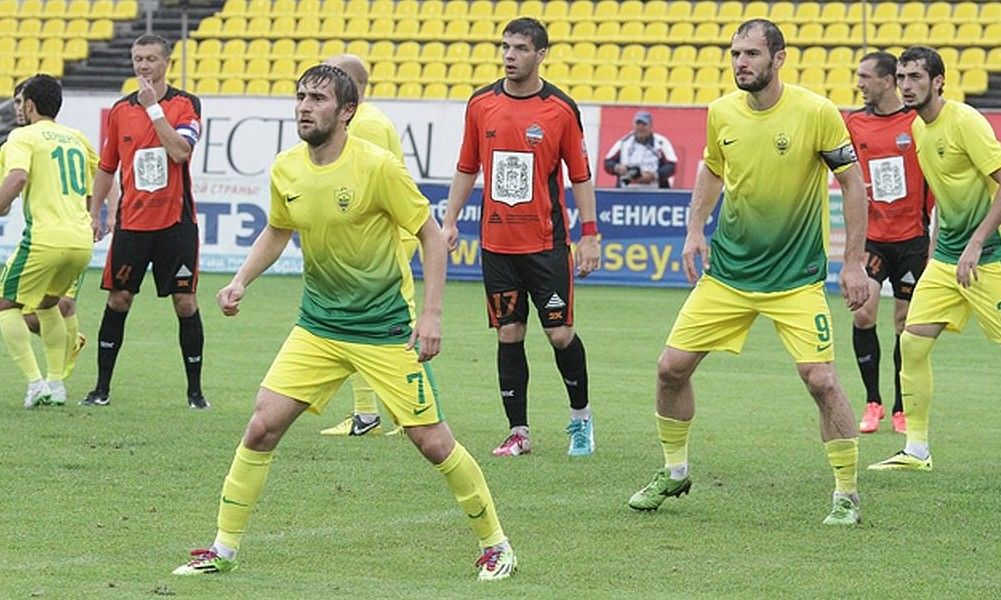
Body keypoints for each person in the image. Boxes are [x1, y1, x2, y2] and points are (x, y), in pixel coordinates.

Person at [171, 64, 517, 581]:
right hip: (317, 327)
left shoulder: (377, 167)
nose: (304, 107)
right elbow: (277, 229)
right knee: (262, 426)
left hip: (383, 330)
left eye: (317, 99)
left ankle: (497, 545)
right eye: (300, 96)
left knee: (433, 442)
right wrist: (242, 280)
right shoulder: (286, 168)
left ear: (346, 111)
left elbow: (429, 236)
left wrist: (432, 314)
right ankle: (222, 548)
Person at [626, 19, 870, 526]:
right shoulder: (721, 112)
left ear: (778, 58)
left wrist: (852, 264)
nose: (741, 63)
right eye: (735, 54)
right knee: (670, 368)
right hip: (729, 275)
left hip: (796, 279)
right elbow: (713, 169)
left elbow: (851, 183)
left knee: (822, 381)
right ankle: (674, 471)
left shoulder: (816, 112)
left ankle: (846, 494)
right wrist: (695, 229)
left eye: (752, 54)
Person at [442, 17, 602, 458]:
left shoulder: (561, 109)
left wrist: (590, 235)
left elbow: (581, 176)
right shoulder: (481, 104)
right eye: (505, 47)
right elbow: (466, 166)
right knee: (508, 334)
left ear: (540, 54)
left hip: (546, 247)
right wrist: (450, 220)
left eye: (519, 48)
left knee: (560, 335)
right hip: (497, 247)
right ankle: (518, 432)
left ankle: (580, 420)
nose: (509, 55)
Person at [869, 46, 1001, 472]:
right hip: (947, 259)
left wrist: (977, 242)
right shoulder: (919, 131)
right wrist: (938, 246)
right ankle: (917, 450)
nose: (907, 85)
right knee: (913, 342)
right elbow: (945, 198)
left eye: (916, 78)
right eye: (902, 77)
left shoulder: (965, 122)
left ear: (938, 81)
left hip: (992, 256)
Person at [81, 33, 208, 409]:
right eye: (138, 59)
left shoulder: (186, 104)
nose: (142, 66)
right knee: (119, 300)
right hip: (132, 225)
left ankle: (195, 393)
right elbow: (107, 168)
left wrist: (154, 109)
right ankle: (101, 389)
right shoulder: (120, 111)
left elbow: (181, 152)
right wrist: (96, 212)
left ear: (166, 62)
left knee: (185, 303)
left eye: (150, 59)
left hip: (176, 224)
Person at [318, 53, 409, 438]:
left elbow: (358, 188)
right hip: (377, 239)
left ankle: (393, 414)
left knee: (380, 327)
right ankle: (376, 415)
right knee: (366, 325)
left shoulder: (364, 125)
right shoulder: (367, 119)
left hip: (379, 240)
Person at [845, 52, 935, 435]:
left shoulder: (916, 123)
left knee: (904, 323)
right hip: (872, 239)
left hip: (912, 238)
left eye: (866, 76)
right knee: (863, 314)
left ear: (887, 81)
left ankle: (901, 407)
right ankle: (872, 402)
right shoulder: (855, 124)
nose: (860, 83)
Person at [0, 75, 95, 407]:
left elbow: (18, 177)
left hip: (45, 239)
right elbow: (92, 188)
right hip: (81, 241)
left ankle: (35, 382)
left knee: (4, 304)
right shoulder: (77, 139)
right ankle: (56, 384)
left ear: (29, 105)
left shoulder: (23, 136)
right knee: (48, 304)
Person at [602, 111, 678, 188]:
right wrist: (618, 168)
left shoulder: (661, 142)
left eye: (644, 124)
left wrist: (654, 175)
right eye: (638, 124)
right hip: (627, 191)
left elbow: (672, 166)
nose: (640, 128)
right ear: (633, 125)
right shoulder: (624, 142)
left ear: (651, 126)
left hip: (655, 192)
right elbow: (607, 162)